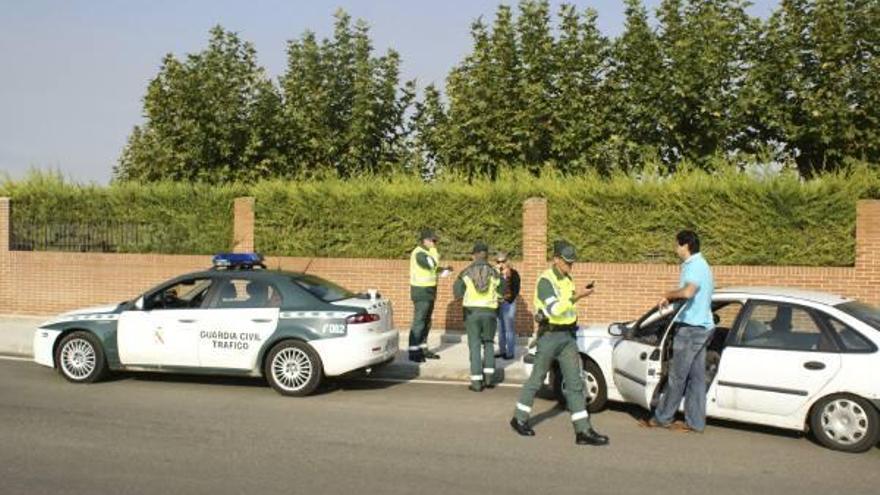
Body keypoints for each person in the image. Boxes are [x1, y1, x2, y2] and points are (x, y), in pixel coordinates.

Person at [509, 241, 609, 446]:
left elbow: (567, 308)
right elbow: (554, 309)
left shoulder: (567, 279)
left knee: (575, 383)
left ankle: (583, 431)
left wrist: (577, 298)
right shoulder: (546, 281)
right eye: (566, 262)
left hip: (567, 337)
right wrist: (577, 295)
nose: (570, 266)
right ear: (556, 259)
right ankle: (519, 418)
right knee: (537, 379)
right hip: (549, 336)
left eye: (572, 263)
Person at [640, 230, 715, 433]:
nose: (676, 249)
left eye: (677, 245)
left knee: (677, 376)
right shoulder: (703, 265)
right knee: (696, 379)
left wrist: (667, 294)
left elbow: (689, 292)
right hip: (703, 327)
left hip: (691, 328)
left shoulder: (694, 265)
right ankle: (696, 422)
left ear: (685, 246)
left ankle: (662, 418)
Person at [453, 242, 503, 392]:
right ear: (486, 255)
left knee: (474, 345)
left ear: (473, 255)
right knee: (488, 343)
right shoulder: (494, 272)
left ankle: (476, 382)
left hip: (472, 313)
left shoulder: (466, 272)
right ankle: (489, 379)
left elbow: (457, 292)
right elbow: (502, 291)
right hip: (490, 312)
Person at [408, 228, 451, 362]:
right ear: (425, 240)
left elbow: (433, 268)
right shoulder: (419, 253)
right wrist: (435, 254)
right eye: (433, 240)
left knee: (427, 321)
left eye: (435, 240)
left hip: (430, 290)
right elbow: (430, 265)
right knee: (419, 321)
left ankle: (423, 348)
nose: (435, 242)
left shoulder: (427, 252)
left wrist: (444, 270)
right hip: (421, 291)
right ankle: (414, 351)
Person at [494, 251, 520, 360]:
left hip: (508, 303)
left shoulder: (513, 273)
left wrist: (508, 299)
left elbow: (516, 289)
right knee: (500, 328)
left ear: (507, 261)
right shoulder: (495, 274)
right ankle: (502, 351)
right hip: (498, 303)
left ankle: (510, 352)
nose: (501, 264)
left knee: (509, 328)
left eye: (503, 261)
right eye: (498, 262)